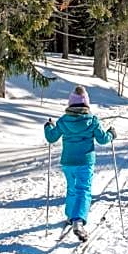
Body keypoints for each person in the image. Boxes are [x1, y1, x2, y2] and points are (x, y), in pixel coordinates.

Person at [44, 85, 116, 241]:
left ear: (70, 104)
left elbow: (51, 137)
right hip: (85, 161)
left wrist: (48, 126)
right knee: (83, 189)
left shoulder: (64, 121)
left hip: (68, 162)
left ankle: (70, 216)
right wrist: (111, 133)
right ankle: (78, 220)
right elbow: (103, 139)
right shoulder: (92, 120)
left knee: (72, 188)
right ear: (86, 104)